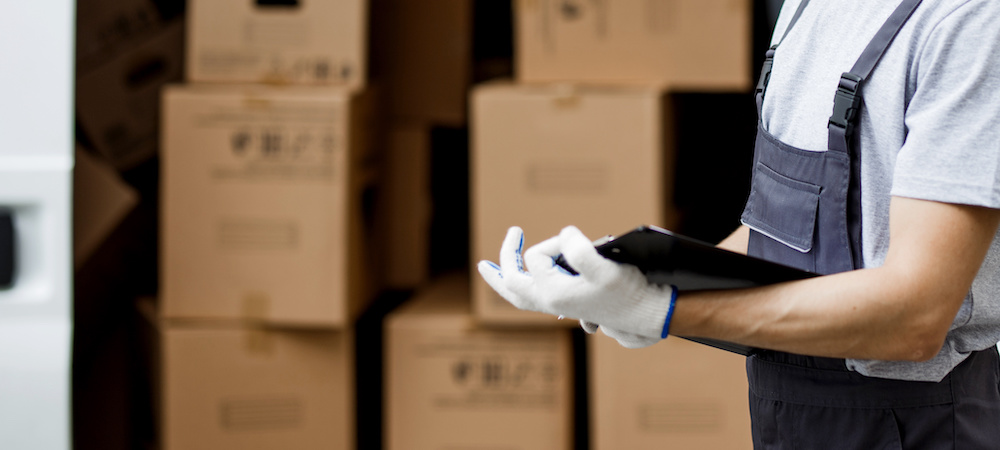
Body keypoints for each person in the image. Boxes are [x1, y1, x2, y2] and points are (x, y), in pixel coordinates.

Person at [478, 0, 1000, 448]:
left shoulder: (969, 22)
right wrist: (628, 279)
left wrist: (669, 310)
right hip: (784, 414)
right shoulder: (807, 8)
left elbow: (916, 317)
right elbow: (778, 240)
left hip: (916, 425)